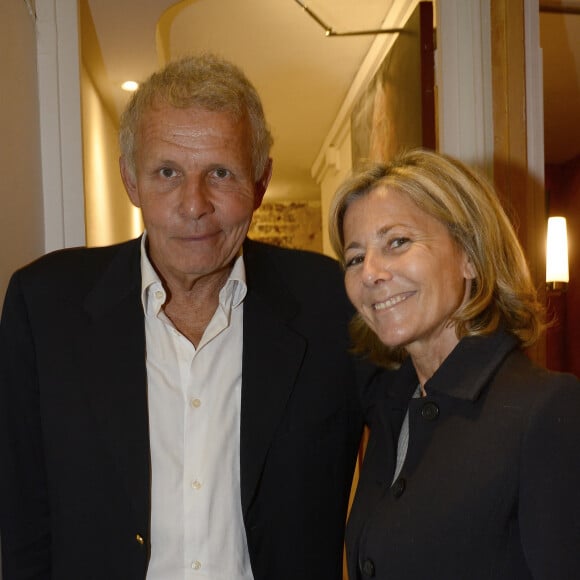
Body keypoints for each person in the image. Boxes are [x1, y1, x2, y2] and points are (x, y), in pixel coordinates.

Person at [0, 54, 374, 580]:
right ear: (131, 181)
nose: (193, 204)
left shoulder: (332, 304)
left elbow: (416, 460)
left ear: (260, 183)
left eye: (220, 173)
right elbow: (22, 521)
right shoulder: (43, 308)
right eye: (167, 172)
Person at [328, 149, 580, 579]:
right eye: (354, 258)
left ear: (469, 255)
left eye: (397, 242)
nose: (369, 273)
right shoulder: (392, 411)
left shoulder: (548, 409)